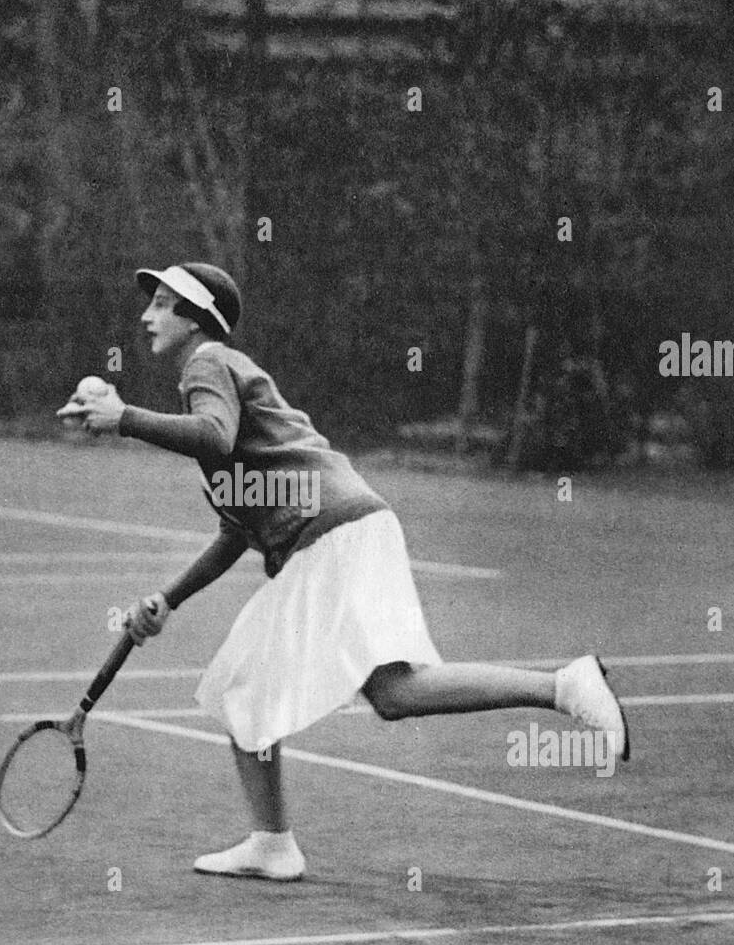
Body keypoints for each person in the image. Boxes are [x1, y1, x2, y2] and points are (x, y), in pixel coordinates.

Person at [79, 261, 629, 881]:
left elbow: (211, 435)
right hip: (353, 526)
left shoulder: (208, 363)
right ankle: (564, 686)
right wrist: (170, 598)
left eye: (160, 304)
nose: (146, 317)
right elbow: (239, 528)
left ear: (195, 318)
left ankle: (271, 842)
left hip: (333, 536)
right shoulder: (225, 377)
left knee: (243, 687)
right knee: (395, 694)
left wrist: (124, 417)